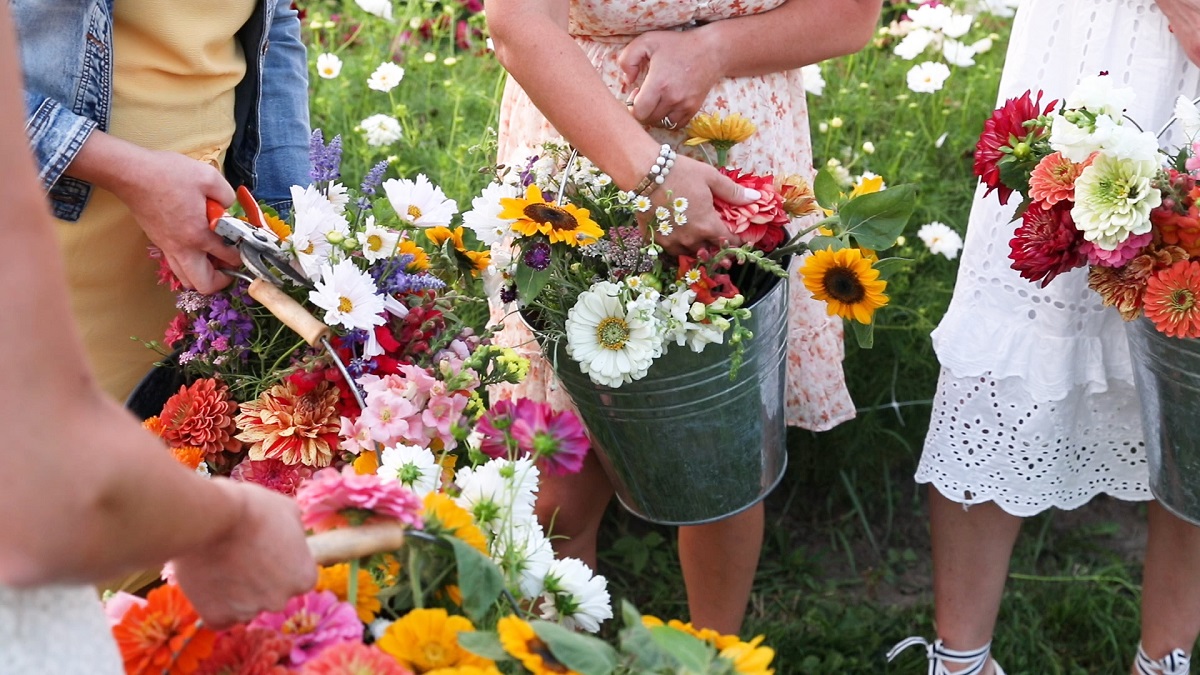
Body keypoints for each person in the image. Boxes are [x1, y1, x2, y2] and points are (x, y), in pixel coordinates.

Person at [485, 0, 883, 634]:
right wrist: (650, 173)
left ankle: (714, 652)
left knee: (722, 455)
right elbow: (517, 26)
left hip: (743, 141)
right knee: (562, 475)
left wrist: (716, 49)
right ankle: (561, 652)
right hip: (583, 145)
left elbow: (852, 15)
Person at [0, 5, 317, 673]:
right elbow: (62, 484)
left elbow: (273, 21)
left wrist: (290, 233)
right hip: (51, 241)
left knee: (142, 615)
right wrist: (227, 523)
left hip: (195, 246)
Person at [893, 1, 1200, 673]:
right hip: (1106, 40)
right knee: (1021, 325)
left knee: (1195, 368)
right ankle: (961, 659)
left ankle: (1164, 659)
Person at [15, 0, 311, 402]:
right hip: (47, 255)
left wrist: (290, 221)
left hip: (194, 263)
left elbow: (274, 25)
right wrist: (132, 176)